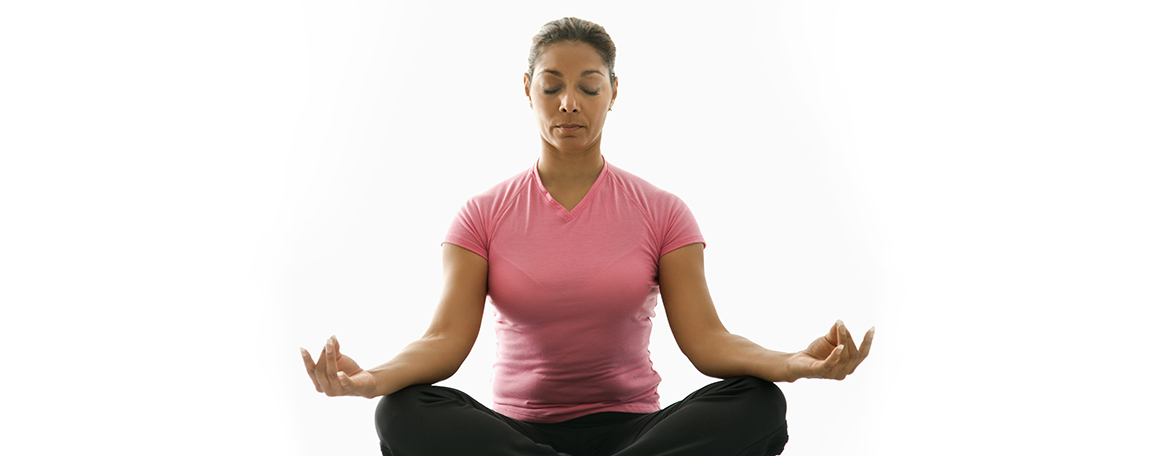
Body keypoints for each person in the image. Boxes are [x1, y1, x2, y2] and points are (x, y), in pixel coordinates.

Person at [300, 17, 875, 456]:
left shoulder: (663, 211)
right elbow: (444, 343)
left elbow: (708, 341)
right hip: (514, 434)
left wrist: (792, 362)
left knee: (759, 404)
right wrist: (371, 379)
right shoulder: (481, 214)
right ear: (527, 89)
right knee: (402, 412)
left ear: (614, 92)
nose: (569, 103)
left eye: (588, 87)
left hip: (638, 434)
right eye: (551, 87)